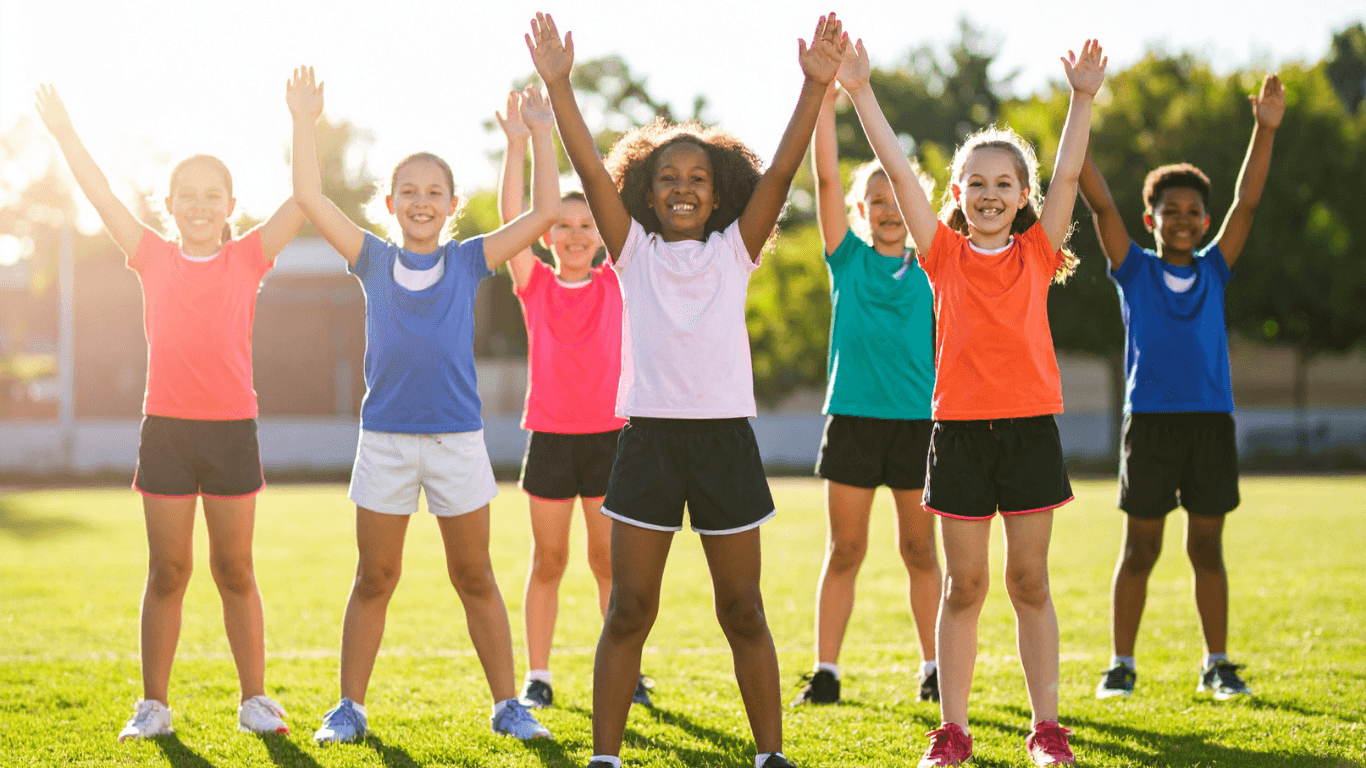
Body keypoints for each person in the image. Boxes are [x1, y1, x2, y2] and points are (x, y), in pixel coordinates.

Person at [526, 12, 845, 768]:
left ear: (718, 191)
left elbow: (783, 170)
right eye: (667, 177)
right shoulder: (629, 251)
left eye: (697, 178)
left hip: (725, 441)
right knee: (629, 607)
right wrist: (560, 84)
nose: (682, 188)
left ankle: (771, 756)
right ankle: (606, 757)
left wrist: (813, 86)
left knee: (743, 609)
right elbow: (590, 167)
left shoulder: (737, 250)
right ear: (646, 188)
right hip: (649, 443)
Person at [839, 36, 1106, 767]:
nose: (990, 194)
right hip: (956, 434)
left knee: (1028, 580)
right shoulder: (943, 254)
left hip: (1027, 434)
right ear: (956, 195)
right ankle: (952, 733)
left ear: (1023, 197)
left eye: (1005, 184)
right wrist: (862, 92)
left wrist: (1082, 98)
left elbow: (1073, 172)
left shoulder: (1037, 254)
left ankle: (1047, 731)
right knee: (965, 585)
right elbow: (896, 167)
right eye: (976, 183)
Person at [285, 67, 559, 743]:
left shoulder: (469, 260)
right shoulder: (372, 259)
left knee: (474, 574)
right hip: (384, 440)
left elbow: (546, 214)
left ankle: (506, 705)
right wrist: (304, 122)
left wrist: (541, 134)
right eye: (408, 191)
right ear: (389, 202)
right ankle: (349, 707)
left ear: (452, 202)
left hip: (456, 441)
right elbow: (308, 195)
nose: (421, 200)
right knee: (374, 576)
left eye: (434, 191)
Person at [36, 84, 304, 741]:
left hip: (232, 430)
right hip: (167, 431)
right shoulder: (152, 255)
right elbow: (100, 196)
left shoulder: (249, 258)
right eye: (188, 194)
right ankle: (154, 705)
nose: (201, 205)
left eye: (213, 195)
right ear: (170, 205)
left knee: (234, 569)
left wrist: (301, 122)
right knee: (168, 570)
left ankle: (254, 700)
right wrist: (67, 134)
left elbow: (304, 199)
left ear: (231, 206)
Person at [1080, 74, 1284, 702]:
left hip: (1209, 424)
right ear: (1154, 218)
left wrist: (1265, 128)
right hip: (1151, 424)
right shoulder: (1133, 269)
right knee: (1140, 548)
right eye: (1172, 210)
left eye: (1195, 211)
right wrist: (1078, 120)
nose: (1185, 219)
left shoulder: (1215, 269)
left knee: (1207, 548)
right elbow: (1101, 206)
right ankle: (1121, 664)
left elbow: (1247, 204)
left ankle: (1216, 663)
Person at [494, 91, 654, 711]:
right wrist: (517, 146)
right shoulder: (534, 283)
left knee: (608, 561)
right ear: (549, 234)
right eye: (562, 225)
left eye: (587, 225)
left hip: (612, 438)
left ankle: (627, 672)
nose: (576, 235)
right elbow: (514, 215)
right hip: (551, 439)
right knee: (549, 559)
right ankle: (539, 674)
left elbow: (619, 212)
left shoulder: (618, 280)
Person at [792, 73, 942, 707]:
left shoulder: (936, 264)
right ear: (861, 212)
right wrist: (825, 100)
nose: (887, 209)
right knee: (845, 548)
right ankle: (826, 671)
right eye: (875, 200)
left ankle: (935, 666)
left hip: (916, 424)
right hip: (853, 419)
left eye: (896, 198)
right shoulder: (847, 260)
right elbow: (825, 178)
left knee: (918, 549)